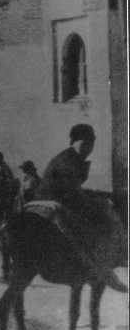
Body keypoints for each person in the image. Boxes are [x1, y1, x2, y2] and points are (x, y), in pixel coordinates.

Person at [35, 123, 126, 292]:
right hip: (54, 201)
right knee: (100, 218)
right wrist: (101, 200)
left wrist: (105, 195)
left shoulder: (71, 159)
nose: (87, 149)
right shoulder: (67, 162)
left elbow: (76, 190)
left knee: (100, 205)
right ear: (73, 142)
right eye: (84, 144)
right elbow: (73, 194)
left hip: (58, 199)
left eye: (90, 145)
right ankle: (103, 268)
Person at [0, 151, 17, 226]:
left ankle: (7, 223)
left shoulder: (4, 167)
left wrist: (10, 191)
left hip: (5, 191)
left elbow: (8, 179)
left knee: (6, 207)